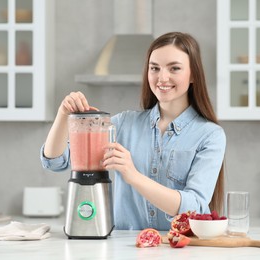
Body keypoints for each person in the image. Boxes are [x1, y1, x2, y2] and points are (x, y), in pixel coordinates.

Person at [40, 32, 226, 231]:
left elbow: (195, 207)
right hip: (121, 249)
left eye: (174, 68)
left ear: (194, 75)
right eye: (154, 68)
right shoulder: (122, 124)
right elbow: (56, 161)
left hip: (178, 250)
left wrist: (133, 175)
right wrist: (63, 115)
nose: (162, 77)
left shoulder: (210, 135)